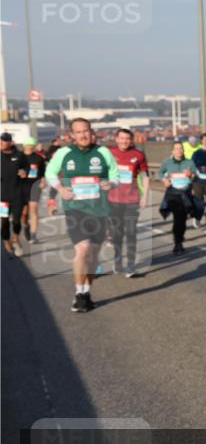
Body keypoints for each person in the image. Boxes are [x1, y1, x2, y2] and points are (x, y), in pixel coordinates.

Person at [44, 118, 118, 312]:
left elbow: (115, 174)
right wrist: (60, 188)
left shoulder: (102, 152)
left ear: (91, 132)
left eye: (86, 131)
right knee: (83, 248)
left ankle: (86, 292)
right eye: (78, 132)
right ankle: (78, 293)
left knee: (93, 253)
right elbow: (50, 173)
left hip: (99, 208)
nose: (83, 135)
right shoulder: (64, 153)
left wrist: (111, 184)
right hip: (74, 208)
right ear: (72, 135)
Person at [108, 128, 149, 277]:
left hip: (131, 199)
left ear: (131, 140)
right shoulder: (109, 153)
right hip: (113, 199)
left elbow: (145, 176)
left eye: (127, 139)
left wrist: (144, 195)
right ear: (116, 139)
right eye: (122, 138)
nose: (125, 141)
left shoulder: (138, 155)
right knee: (117, 234)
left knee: (131, 232)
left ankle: (130, 264)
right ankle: (118, 259)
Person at [158, 142, 197, 254]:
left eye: (181, 148)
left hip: (185, 194)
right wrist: (165, 180)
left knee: (182, 220)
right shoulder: (167, 162)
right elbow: (160, 173)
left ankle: (179, 239)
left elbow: (196, 176)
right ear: (172, 151)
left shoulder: (189, 162)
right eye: (176, 148)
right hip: (173, 194)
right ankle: (177, 243)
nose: (179, 150)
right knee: (177, 218)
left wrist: (190, 174)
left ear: (183, 151)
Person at [1, 132, 27, 258]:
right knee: (4, 221)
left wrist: (24, 172)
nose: (1, 142)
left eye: (4, 141)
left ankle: (15, 238)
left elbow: (28, 168)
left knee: (17, 220)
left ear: (10, 142)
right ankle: (6, 243)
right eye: (0, 140)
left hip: (17, 194)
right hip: (2, 196)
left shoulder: (19, 155)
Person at [19, 136, 46, 244]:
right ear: (24, 146)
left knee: (33, 209)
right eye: (28, 145)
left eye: (32, 145)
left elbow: (43, 173)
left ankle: (33, 235)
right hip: (21, 187)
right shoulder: (19, 158)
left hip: (34, 185)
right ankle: (26, 226)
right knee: (24, 213)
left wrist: (43, 182)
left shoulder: (39, 158)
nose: (30, 147)